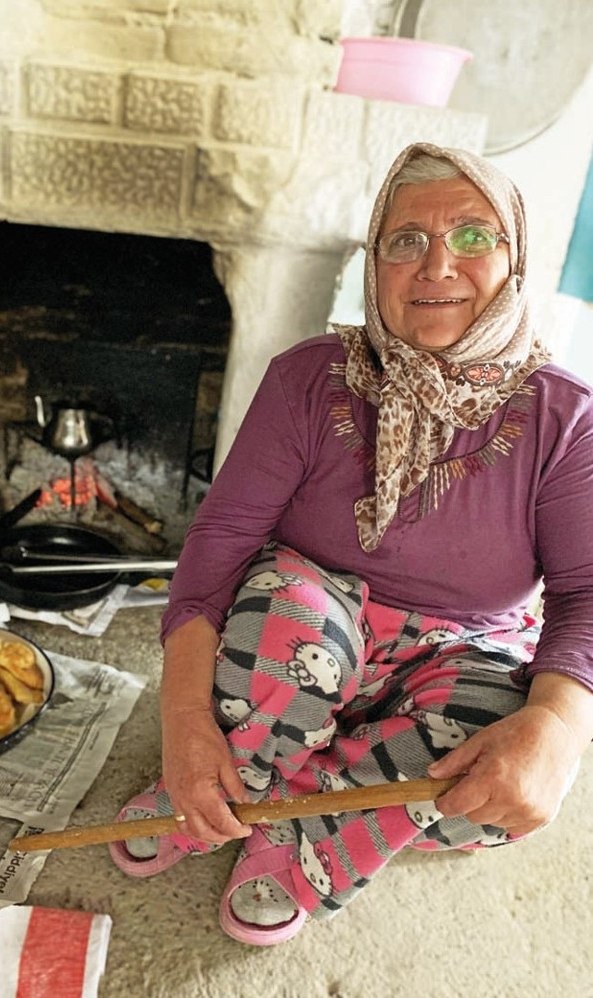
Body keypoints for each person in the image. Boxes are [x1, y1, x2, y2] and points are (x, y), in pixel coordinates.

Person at [108, 141, 593, 945]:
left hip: (459, 646)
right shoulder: (310, 378)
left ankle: (299, 816)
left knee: (503, 779)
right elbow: (220, 542)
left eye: (473, 236)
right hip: (312, 621)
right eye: (406, 240)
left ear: (514, 258)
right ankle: (233, 776)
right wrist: (184, 723)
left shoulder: (566, 416)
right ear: (375, 262)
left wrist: (558, 729)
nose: (437, 263)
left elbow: (584, 593)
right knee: (282, 629)